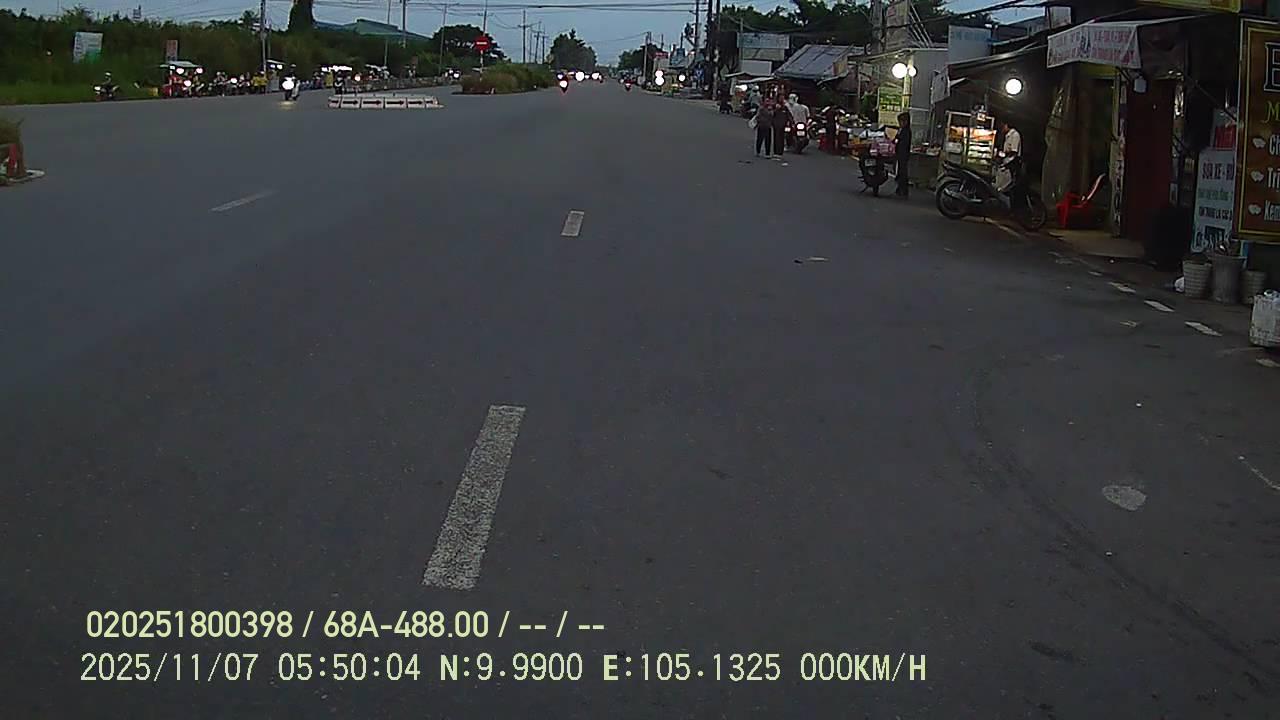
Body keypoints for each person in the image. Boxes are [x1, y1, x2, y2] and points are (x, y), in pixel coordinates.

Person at [894, 111, 912, 198]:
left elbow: (903, 143)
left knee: (903, 172)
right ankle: (900, 188)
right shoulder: (902, 130)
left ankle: (903, 189)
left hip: (903, 153)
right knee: (901, 171)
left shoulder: (906, 131)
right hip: (900, 153)